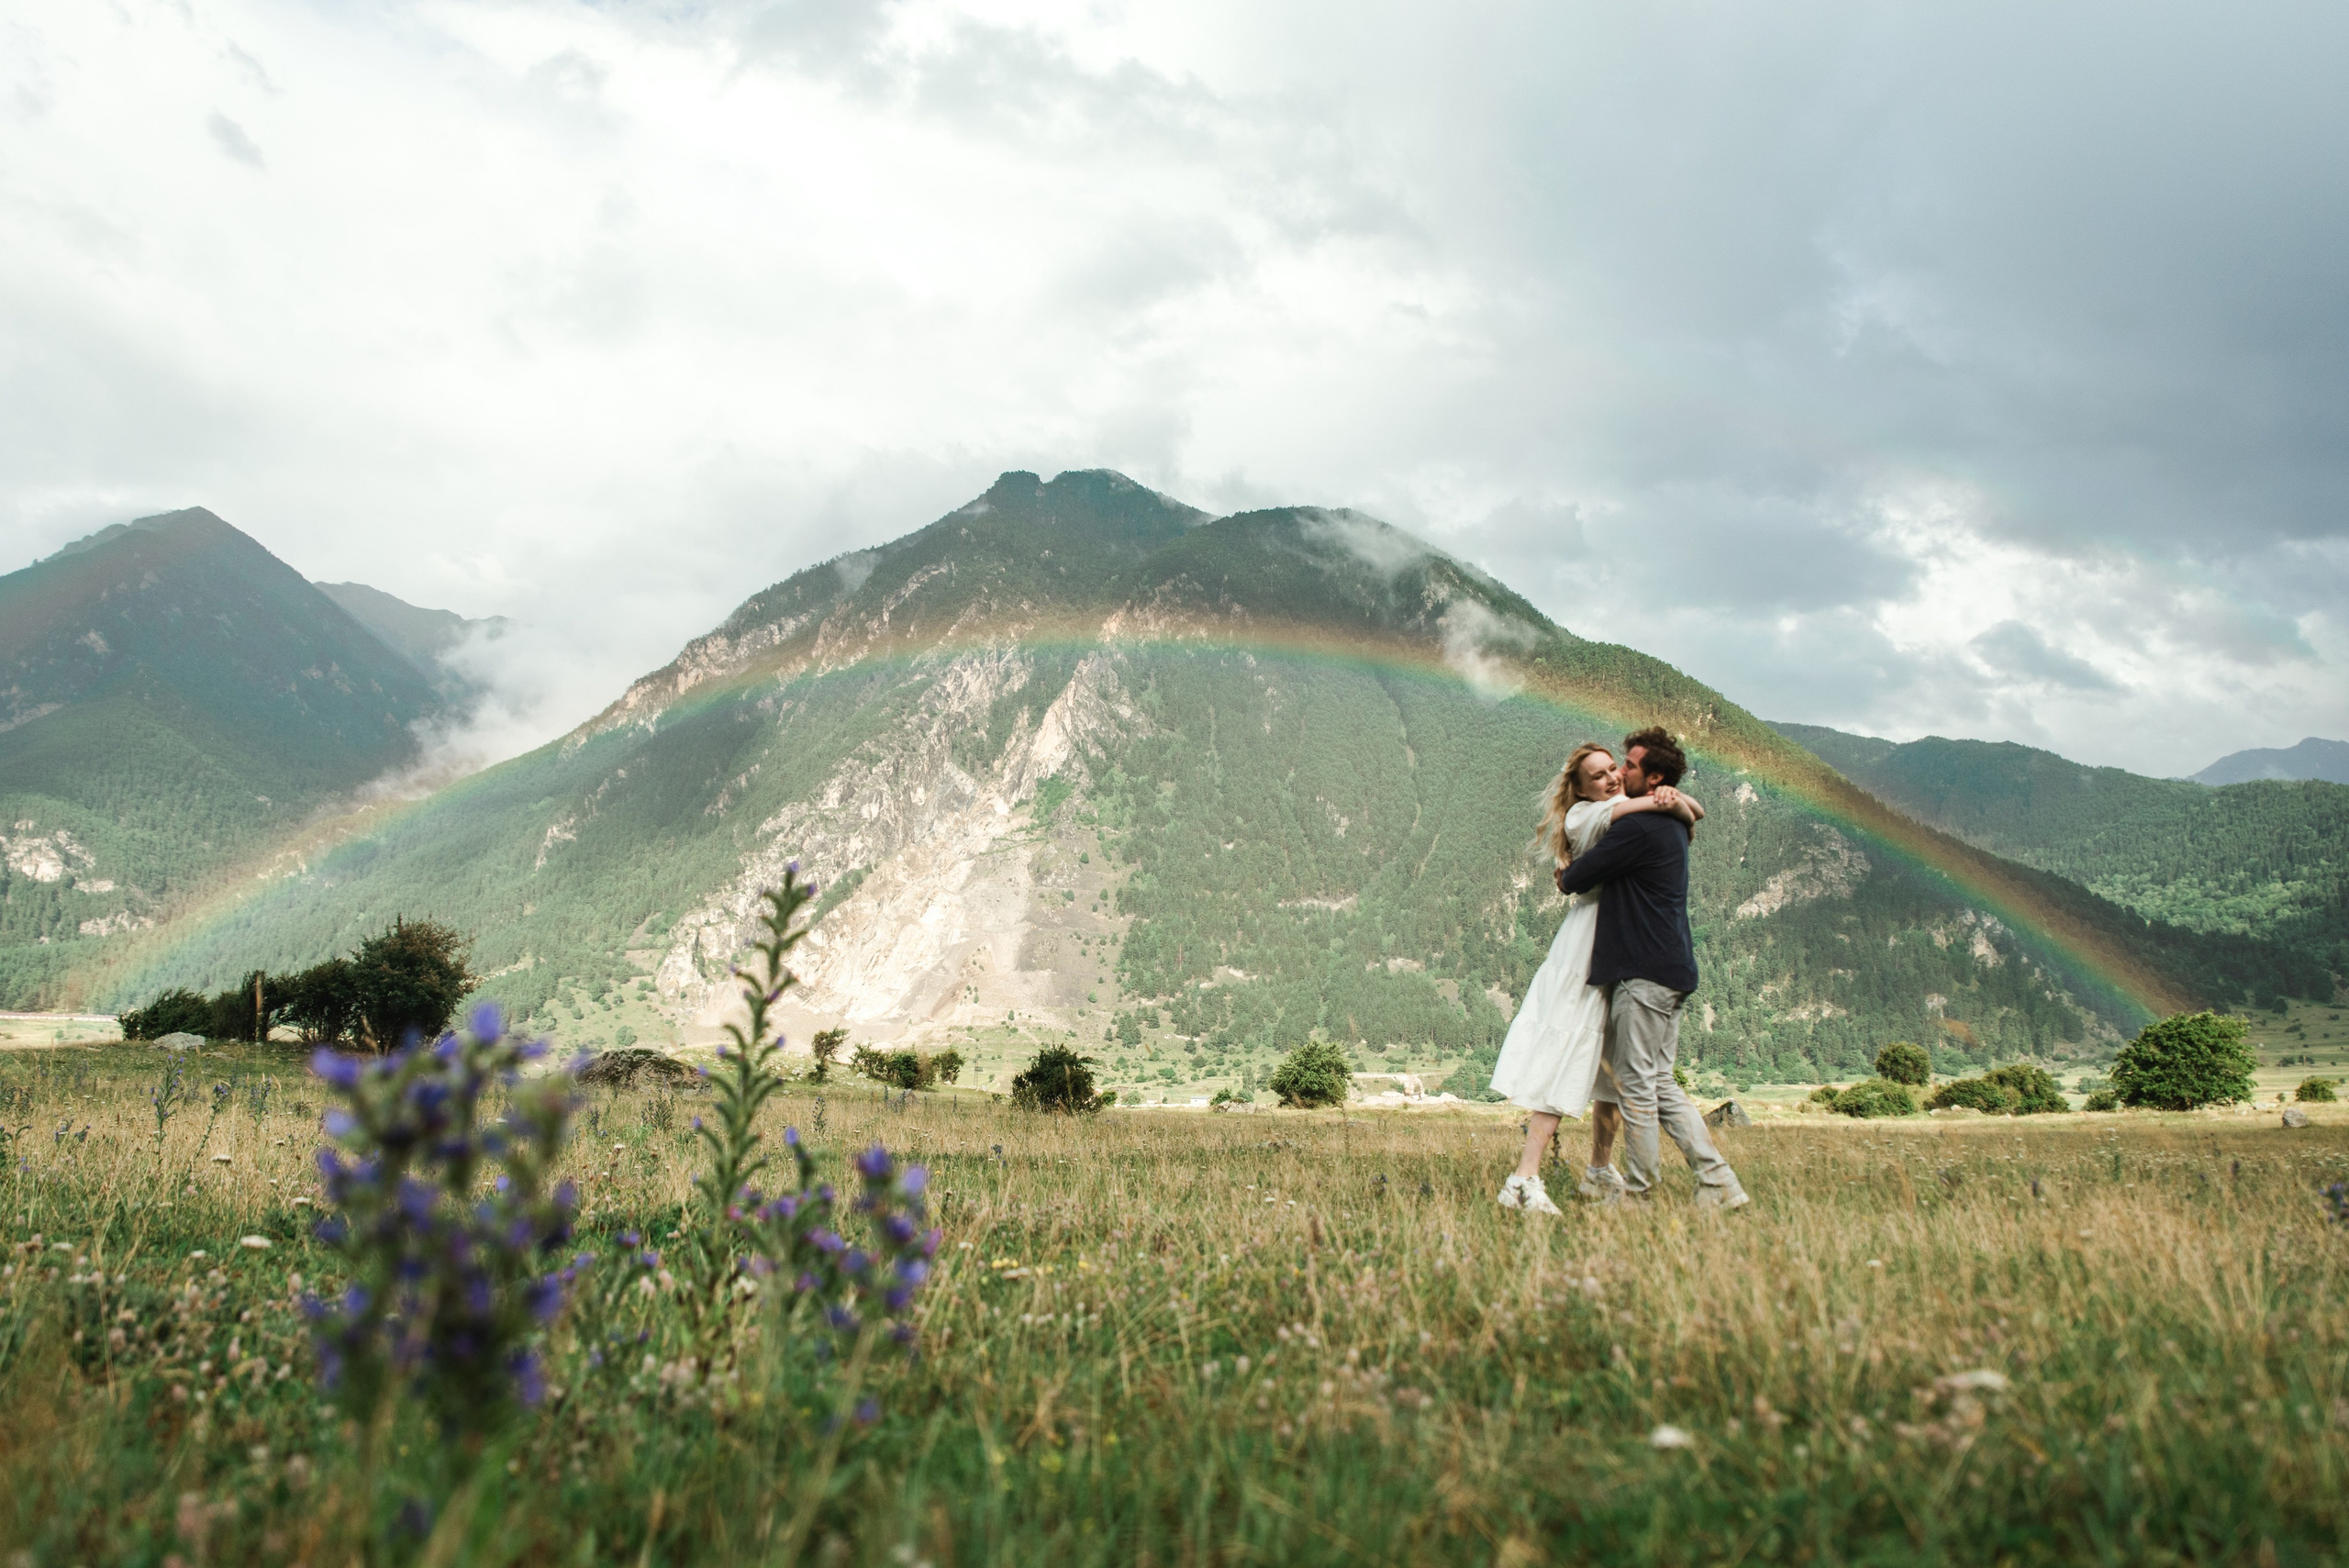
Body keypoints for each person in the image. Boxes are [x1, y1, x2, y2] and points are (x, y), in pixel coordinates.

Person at [1492, 741, 1703, 1215]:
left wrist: (1676, 801)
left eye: (1615, 769)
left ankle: (1599, 1170)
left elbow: (1697, 810)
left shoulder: (1623, 809)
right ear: (1580, 788)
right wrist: (1666, 799)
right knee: (1568, 1052)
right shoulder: (1585, 817)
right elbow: (1669, 809)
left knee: (1612, 1073)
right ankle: (1523, 1180)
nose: (1609, 778)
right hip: (1586, 948)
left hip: (1618, 946)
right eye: (1598, 775)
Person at [1553, 726, 1748, 1210]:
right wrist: (1679, 802)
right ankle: (1717, 1181)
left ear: (1656, 776)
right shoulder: (1673, 824)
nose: (1620, 772)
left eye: (1630, 766)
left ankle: (1640, 1195)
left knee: (1637, 1089)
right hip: (1673, 968)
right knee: (1658, 1082)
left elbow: (1576, 878)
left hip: (1644, 974)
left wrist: (1566, 873)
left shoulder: (1637, 828)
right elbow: (1688, 813)